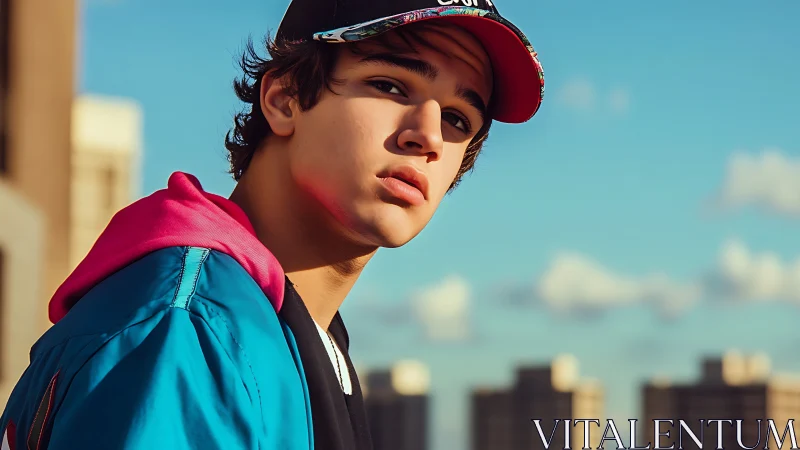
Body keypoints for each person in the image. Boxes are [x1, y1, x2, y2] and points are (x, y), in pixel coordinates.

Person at [0, 0, 544, 448]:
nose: (426, 136)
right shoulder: (188, 332)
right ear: (284, 99)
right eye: (391, 86)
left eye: (457, 119)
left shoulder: (289, 329)